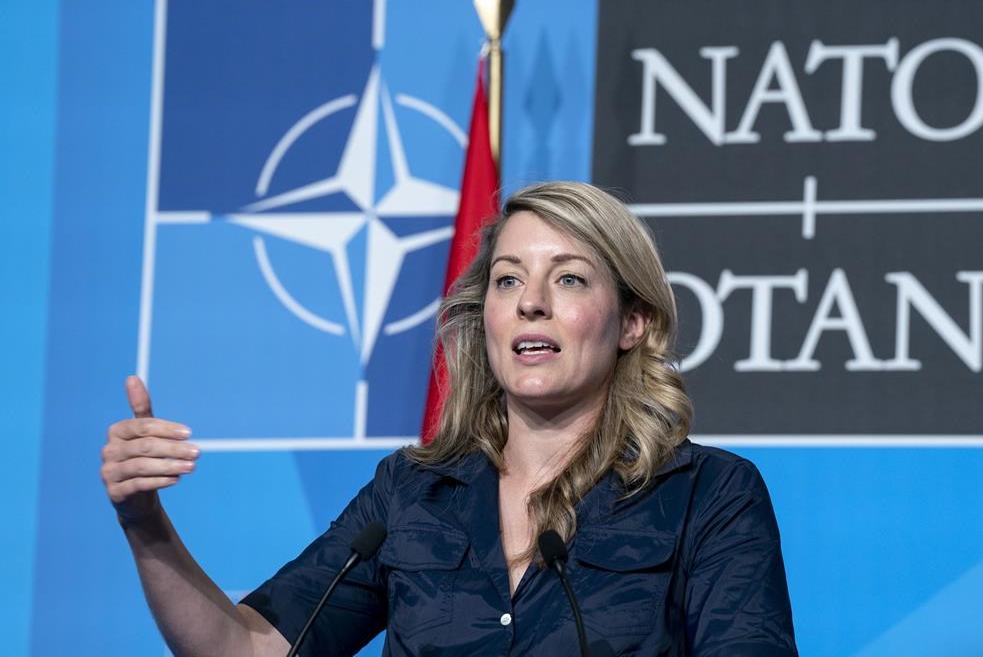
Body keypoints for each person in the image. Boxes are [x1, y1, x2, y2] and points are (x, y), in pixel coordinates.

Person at [102, 181, 798, 656]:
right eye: (508, 279)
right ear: (485, 315)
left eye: (569, 278)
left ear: (632, 322)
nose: (530, 302)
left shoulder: (709, 495)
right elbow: (249, 647)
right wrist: (144, 522)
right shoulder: (410, 493)